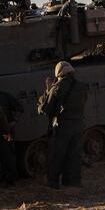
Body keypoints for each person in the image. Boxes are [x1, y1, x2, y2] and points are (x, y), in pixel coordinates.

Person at [38, 61, 88, 189]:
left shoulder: (56, 88)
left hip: (62, 126)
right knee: (74, 155)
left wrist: (47, 92)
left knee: (57, 155)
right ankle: (73, 182)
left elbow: (45, 110)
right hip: (78, 125)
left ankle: (53, 183)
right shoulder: (82, 86)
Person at [0, 79, 23, 185]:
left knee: (8, 155)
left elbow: (19, 108)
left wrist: (14, 121)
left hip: (6, 131)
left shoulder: (5, 96)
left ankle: (11, 179)